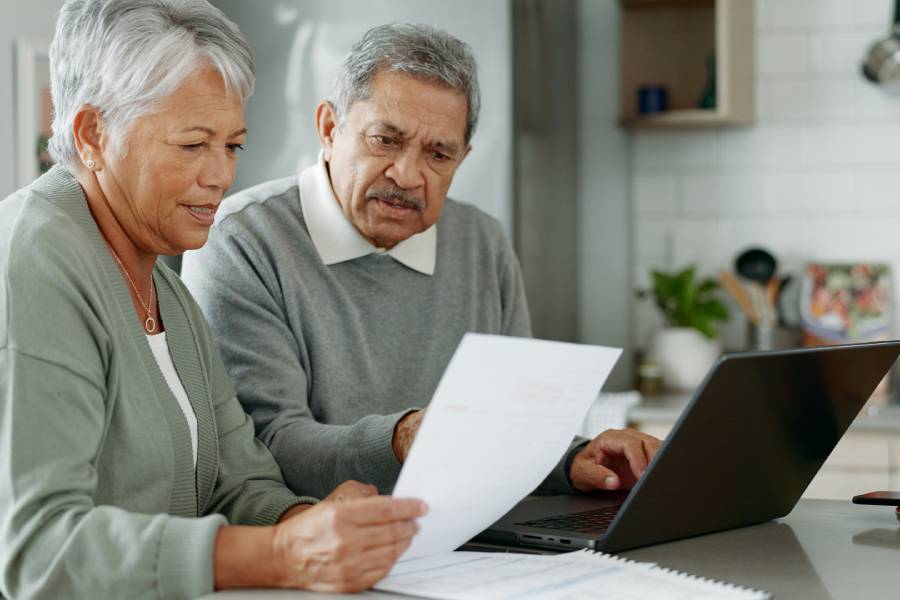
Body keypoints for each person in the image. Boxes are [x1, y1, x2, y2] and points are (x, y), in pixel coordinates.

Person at [0, 2, 427, 598]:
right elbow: (38, 549)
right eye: (192, 144)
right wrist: (280, 554)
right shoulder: (33, 261)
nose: (220, 176)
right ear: (94, 135)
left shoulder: (165, 289)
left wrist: (311, 524)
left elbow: (239, 481)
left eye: (232, 147)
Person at [182, 23, 661, 501]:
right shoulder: (241, 238)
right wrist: (402, 439)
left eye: (438, 154)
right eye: (385, 140)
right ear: (330, 129)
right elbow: (263, 449)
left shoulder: (482, 242)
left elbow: (510, 428)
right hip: (322, 545)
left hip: (469, 536)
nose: (408, 175)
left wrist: (573, 460)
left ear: (462, 158)